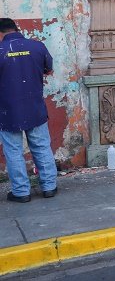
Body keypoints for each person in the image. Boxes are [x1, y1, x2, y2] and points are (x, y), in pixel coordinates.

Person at [0, 19, 58, 202]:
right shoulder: (37, 46)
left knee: (13, 151)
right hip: (34, 107)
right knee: (41, 147)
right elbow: (48, 70)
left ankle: (21, 192)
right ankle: (49, 187)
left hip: (8, 111)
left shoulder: (1, 51)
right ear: (15, 29)